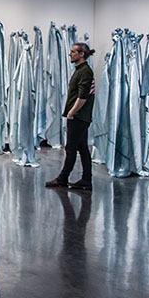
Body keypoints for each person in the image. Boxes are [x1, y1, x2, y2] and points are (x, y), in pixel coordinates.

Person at [46, 43, 96, 190]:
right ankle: (86, 180)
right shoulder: (81, 70)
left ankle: (63, 178)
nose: (70, 54)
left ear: (81, 54)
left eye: (73, 52)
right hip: (80, 116)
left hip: (78, 117)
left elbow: (83, 96)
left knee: (71, 148)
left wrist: (72, 112)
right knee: (82, 148)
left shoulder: (85, 72)